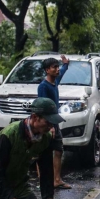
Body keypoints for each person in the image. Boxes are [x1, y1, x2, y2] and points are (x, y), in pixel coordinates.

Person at [37, 55, 71, 189]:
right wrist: (48, 125)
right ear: (47, 70)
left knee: (58, 149)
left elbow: (62, 73)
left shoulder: (54, 82)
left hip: (54, 121)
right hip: (46, 124)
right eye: (54, 67)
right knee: (42, 151)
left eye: (57, 67)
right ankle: (43, 179)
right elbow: (42, 107)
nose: (57, 70)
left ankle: (56, 179)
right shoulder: (43, 87)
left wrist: (66, 65)